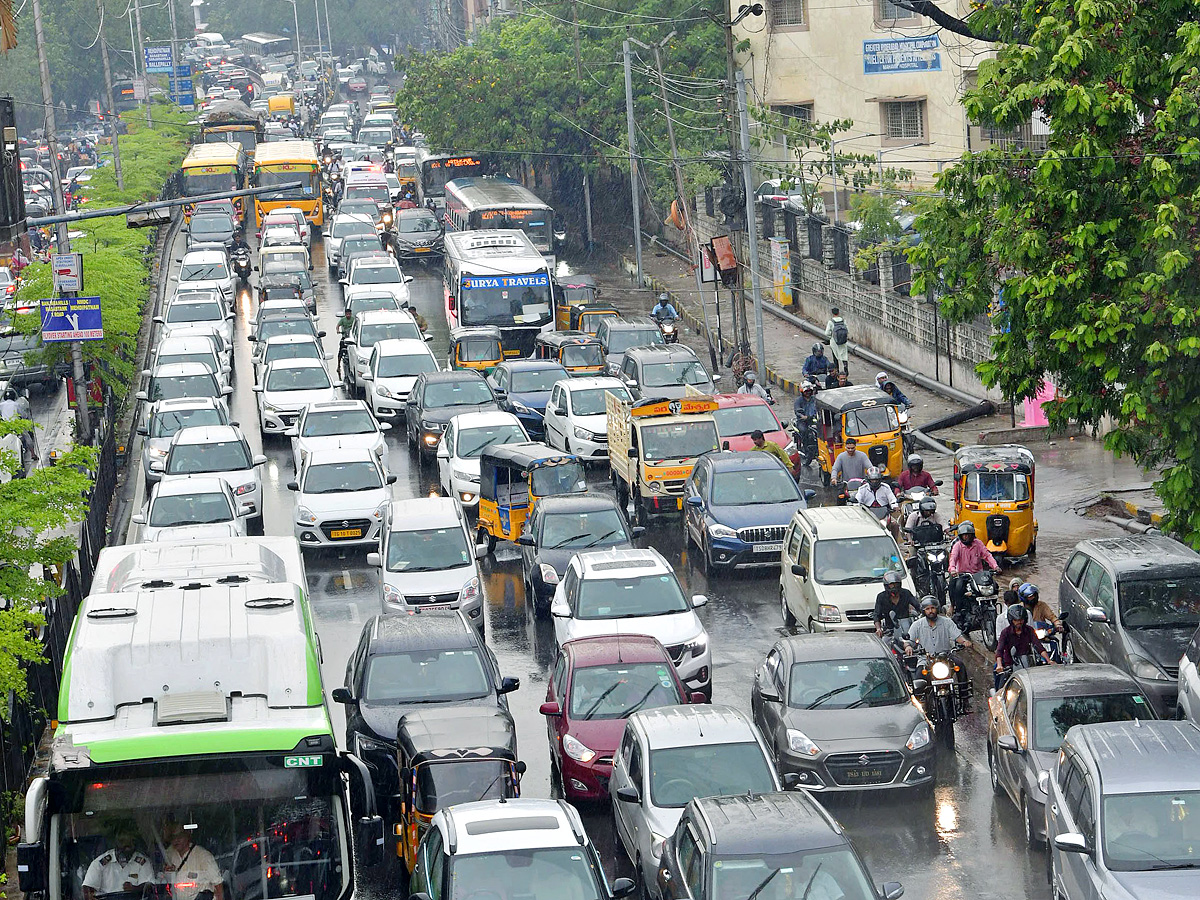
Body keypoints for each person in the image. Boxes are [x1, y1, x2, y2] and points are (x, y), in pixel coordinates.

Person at [82, 827, 155, 900]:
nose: (126, 848)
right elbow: (87, 889)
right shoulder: (100, 863)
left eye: (129, 844)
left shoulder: (142, 862)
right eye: (122, 842)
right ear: (115, 843)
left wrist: (135, 889)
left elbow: (149, 887)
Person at [994, 604, 1056, 688]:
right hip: (1010, 666)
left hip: (1028, 665)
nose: (1019, 622)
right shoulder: (1005, 633)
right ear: (1011, 620)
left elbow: (1038, 646)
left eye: (1021, 620)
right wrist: (999, 665)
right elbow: (999, 650)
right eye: (1016, 620)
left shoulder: (1029, 630)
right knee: (1000, 685)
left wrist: (1049, 660)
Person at [159, 822, 223, 900]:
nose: (176, 840)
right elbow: (162, 881)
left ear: (187, 836)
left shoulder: (203, 856)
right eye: (173, 838)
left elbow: (218, 886)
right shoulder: (169, 854)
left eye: (179, 837)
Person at [948, 521, 999, 616]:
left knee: (994, 586)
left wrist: (995, 566)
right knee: (957, 588)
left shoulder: (978, 544)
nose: (966, 537)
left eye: (968, 535)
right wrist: (953, 569)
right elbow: (953, 558)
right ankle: (956, 608)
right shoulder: (957, 546)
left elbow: (987, 555)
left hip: (978, 575)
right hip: (963, 575)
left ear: (972, 535)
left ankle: (992, 605)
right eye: (964, 535)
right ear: (960, 536)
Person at [874, 571, 921, 648]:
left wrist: (922, 614)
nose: (894, 587)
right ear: (886, 586)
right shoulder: (881, 597)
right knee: (884, 647)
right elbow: (876, 615)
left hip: (907, 630)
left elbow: (918, 606)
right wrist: (878, 629)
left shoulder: (906, 593)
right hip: (890, 631)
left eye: (896, 584)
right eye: (891, 585)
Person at [855, 466, 900, 537]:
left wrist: (895, 506)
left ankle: (894, 543)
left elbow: (892, 499)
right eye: (872, 480)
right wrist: (856, 506)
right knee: (858, 526)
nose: (874, 482)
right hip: (868, 514)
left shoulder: (886, 487)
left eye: (876, 479)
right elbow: (857, 500)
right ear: (868, 479)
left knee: (895, 524)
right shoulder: (862, 489)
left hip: (884, 513)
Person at [825, 307, 850, 374]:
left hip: (834, 342)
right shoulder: (843, 321)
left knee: (835, 356)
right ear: (838, 312)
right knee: (844, 356)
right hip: (843, 342)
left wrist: (831, 337)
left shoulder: (831, 322)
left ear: (832, 313)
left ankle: (837, 370)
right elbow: (848, 330)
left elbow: (827, 333)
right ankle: (845, 368)